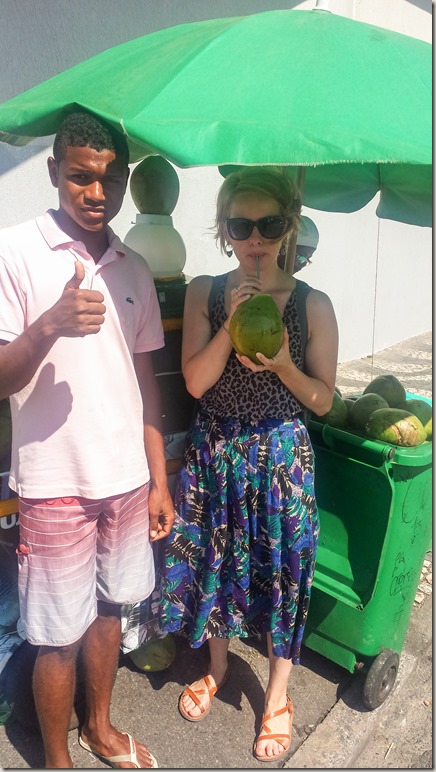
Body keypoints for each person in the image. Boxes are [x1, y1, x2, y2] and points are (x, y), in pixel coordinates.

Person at [0, 111, 174, 769]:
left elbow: (145, 385)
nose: (95, 193)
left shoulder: (133, 269)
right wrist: (48, 325)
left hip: (126, 480)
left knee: (110, 613)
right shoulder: (14, 252)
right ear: (54, 173)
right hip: (54, 485)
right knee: (55, 638)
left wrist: (158, 479)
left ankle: (100, 729)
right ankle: (56, 759)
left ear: (126, 180)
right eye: (79, 177)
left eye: (109, 179)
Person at [159, 167, 338, 762]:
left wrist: (285, 365)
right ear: (224, 229)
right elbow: (195, 380)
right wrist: (228, 327)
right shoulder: (206, 291)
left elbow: (324, 400)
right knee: (216, 563)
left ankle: (279, 694)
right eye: (241, 225)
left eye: (269, 225)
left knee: (281, 573)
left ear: (288, 227)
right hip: (217, 454)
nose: (255, 239)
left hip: (280, 459)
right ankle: (217, 665)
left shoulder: (314, 305)